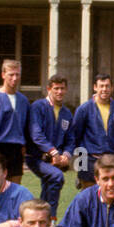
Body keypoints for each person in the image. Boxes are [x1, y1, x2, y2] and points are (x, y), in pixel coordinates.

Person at [26, 74, 75, 218]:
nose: (59, 92)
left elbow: (71, 139)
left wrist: (66, 155)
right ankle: (51, 218)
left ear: (66, 90)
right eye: (56, 88)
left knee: (49, 184)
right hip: (36, 158)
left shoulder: (66, 113)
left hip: (56, 160)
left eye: (62, 89)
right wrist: (54, 153)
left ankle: (39, 218)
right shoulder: (38, 107)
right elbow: (36, 135)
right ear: (49, 89)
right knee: (57, 177)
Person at [71, 73, 114, 190]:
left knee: (109, 195)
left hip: (110, 160)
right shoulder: (84, 109)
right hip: (89, 159)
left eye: (107, 86)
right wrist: (81, 166)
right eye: (101, 86)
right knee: (88, 196)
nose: (104, 89)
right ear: (95, 87)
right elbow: (76, 136)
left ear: (112, 88)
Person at [0, 59, 29, 184]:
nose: (14, 78)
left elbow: (26, 126)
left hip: (17, 149)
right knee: (0, 186)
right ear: (3, 75)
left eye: (17, 74)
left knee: (15, 188)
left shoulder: (23, 100)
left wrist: (24, 145)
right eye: (11, 74)